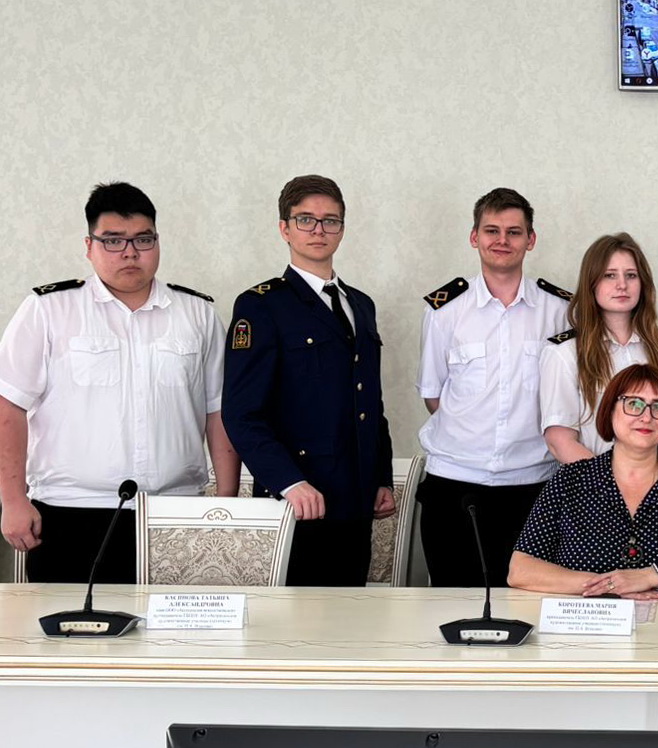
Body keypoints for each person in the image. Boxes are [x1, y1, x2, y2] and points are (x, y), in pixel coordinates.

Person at [0, 183, 239, 583]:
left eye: (143, 239)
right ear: (89, 246)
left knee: (173, 625)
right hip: (70, 513)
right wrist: (12, 500)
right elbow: (9, 405)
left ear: (157, 242)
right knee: (69, 625)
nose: (130, 252)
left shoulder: (196, 314)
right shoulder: (48, 309)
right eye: (113, 240)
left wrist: (225, 506)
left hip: (175, 513)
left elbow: (219, 412)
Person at [223, 175, 394, 587]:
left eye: (330, 220)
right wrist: (288, 481)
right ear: (285, 228)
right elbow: (241, 413)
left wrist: (381, 477)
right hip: (297, 500)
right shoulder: (261, 305)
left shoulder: (361, 305)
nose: (319, 230)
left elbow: (370, 402)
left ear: (342, 229)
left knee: (351, 616)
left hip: (356, 499)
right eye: (306, 220)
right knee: (294, 620)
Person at [415, 188, 572, 587]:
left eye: (514, 232)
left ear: (530, 240)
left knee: (528, 606)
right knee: (452, 604)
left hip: (533, 486)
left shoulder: (560, 311)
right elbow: (434, 395)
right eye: (492, 230)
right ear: (474, 237)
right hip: (454, 485)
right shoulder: (445, 309)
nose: (502, 240)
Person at [509, 363, 658, 596]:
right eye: (634, 404)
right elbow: (521, 569)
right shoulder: (570, 481)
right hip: (588, 616)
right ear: (610, 411)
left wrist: (651, 577)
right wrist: (611, 586)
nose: (646, 417)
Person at [540, 233, 658, 465]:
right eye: (609, 275)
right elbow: (559, 440)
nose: (622, 285)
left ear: (643, 284)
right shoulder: (564, 354)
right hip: (593, 483)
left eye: (631, 275)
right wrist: (613, 484)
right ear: (591, 283)